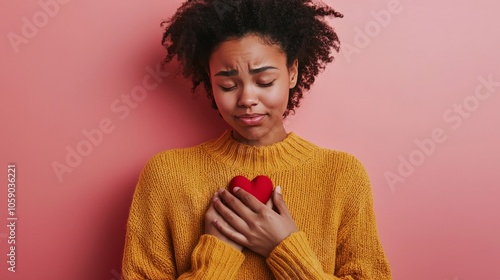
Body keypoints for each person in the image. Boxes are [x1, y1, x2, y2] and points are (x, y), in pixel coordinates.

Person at [122, 0, 392, 279]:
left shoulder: (342, 175)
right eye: (227, 85)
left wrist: (283, 248)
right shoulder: (166, 175)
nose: (247, 99)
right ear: (209, 80)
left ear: (292, 73)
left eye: (264, 81)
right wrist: (217, 256)